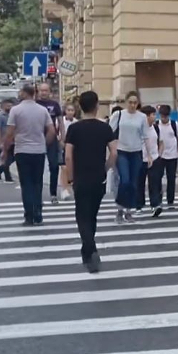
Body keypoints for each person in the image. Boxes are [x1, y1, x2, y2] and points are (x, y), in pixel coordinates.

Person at [65, 91, 117, 273]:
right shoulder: (105, 128)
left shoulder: (74, 129)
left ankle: (90, 248)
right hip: (98, 178)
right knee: (92, 215)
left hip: (81, 177)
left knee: (82, 215)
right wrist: (105, 168)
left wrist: (70, 178)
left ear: (80, 106)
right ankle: (87, 251)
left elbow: (68, 156)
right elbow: (114, 153)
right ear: (96, 106)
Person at [1, 84, 56, 226]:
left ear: (25, 93)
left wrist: (5, 150)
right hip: (39, 151)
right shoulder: (42, 110)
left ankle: (29, 215)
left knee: (26, 184)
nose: (19, 94)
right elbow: (51, 130)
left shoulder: (16, 110)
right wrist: (45, 143)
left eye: (20, 92)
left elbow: (10, 132)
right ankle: (38, 213)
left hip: (22, 151)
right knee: (38, 183)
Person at [113, 91, 154, 223]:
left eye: (135, 102)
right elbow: (109, 132)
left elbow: (146, 136)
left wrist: (149, 155)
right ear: (126, 102)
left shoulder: (141, 117)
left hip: (136, 152)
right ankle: (120, 209)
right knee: (124, 180)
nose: (132, 105)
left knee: (133, 183)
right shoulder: (119, 115)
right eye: (130, 102)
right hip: (122, 151)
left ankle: (128, 210)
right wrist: (110, 151)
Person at [37, 83, 64, 205]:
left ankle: (53, 194)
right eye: (41, 90)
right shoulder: (35, 104)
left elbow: (60, 122)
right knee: (38, 168)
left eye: (46, 90)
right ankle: (38, 194)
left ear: (50, 91)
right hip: (37, 139)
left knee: (54, 166)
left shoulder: (55, 105)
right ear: (38, 91)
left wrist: (63, 138)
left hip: (52, 139)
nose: (43, 93)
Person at [136, 105, 164, 218]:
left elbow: (161, 142)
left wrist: (159, 154)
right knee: (139, 183)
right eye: (153, 114)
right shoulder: (138, 129)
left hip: (154, 158)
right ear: (146, 116)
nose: (155, 117)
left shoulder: (156, 127)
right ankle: (139, 205)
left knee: (155, 183)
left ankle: (155, 205)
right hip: (140, 159)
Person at [156, 104, 178, 208]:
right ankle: (158, 200)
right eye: (162, 116)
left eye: (166, 116)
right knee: (157, 178)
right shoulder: (156, 125)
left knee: (171, 179)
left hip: (172, 155)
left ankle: (170, 200)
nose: (164, 119)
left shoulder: (174, 124)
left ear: (169, 115)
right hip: (160, 156)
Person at [0, 98, 15, 183]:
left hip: (13, 140)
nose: (9, 107)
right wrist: (0, 142)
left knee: (14, 157)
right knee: (6, 158)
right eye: (8, 105)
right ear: (3, 106)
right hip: (4, 140)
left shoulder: (12, 115)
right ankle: (7, 177)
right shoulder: (0, 116)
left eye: (11, 105)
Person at [59, 103, 78, 201]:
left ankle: (70, 186)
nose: (70, 112)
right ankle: (64, 189)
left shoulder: (76, 122)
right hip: (62, 146)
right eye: (68, 110)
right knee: (64, 168)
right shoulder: (61, 121)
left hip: (73, 147)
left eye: (72, 110)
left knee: (72, 168)